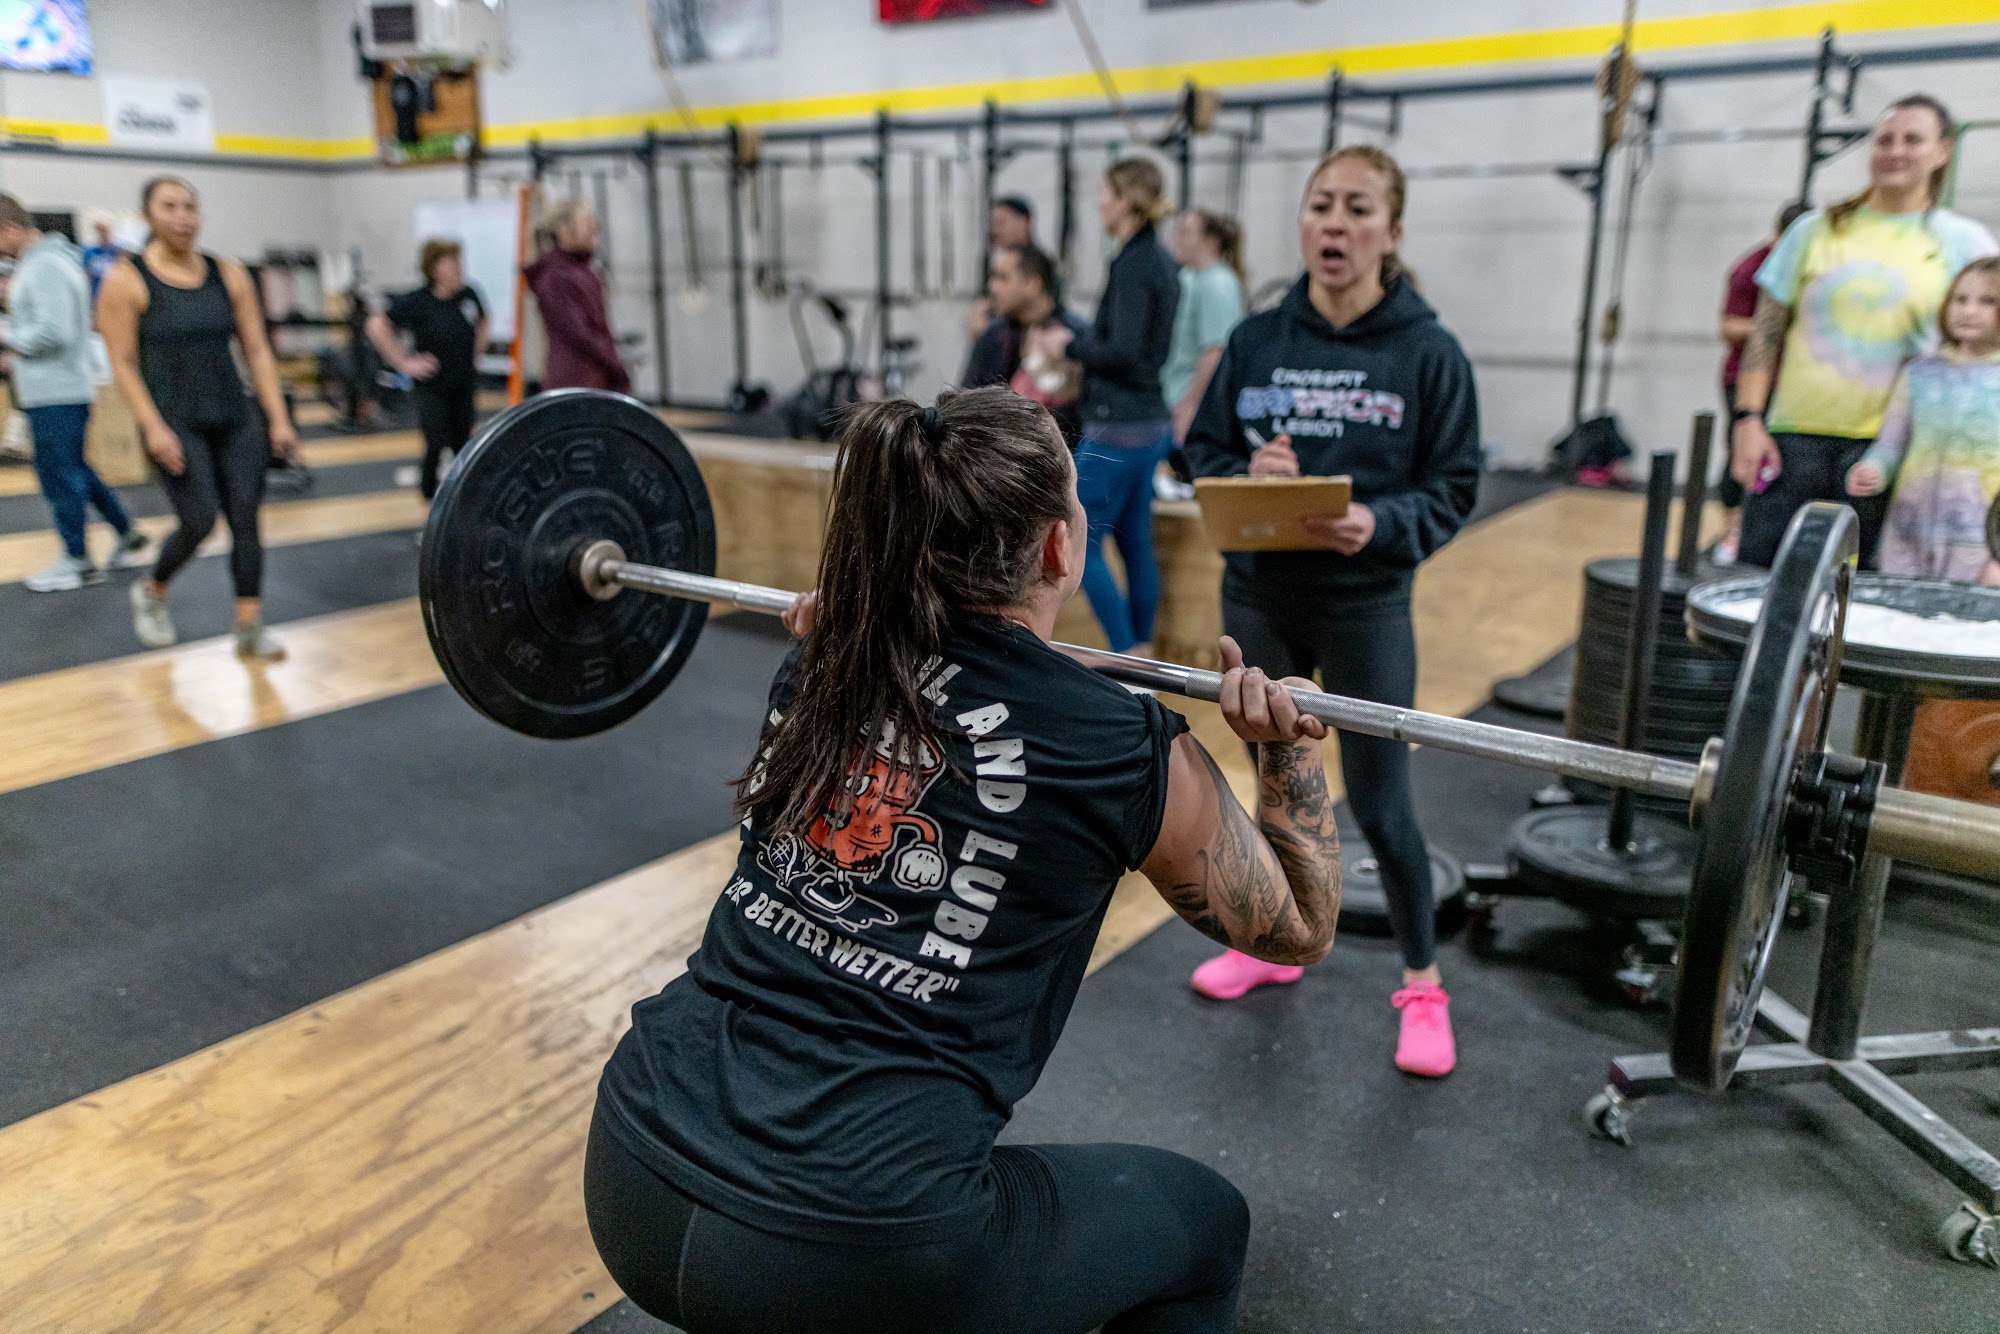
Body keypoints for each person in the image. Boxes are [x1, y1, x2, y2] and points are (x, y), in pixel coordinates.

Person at [586, 385, 1341, 1334]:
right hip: (854, 1249)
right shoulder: (1116, 746)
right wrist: (1288, 751)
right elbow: (1299, 927)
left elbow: (976, 670)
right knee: (1207, 1225)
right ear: (1060, 546)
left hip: (632, 1168)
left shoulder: (828, 656)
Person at [1180, 145, 1482, 1078]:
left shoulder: (1428, 352)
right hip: (1261, 599)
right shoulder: (1258, 338)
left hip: (1366, 606)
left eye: (1357, 208)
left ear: (1392, 231)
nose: (1335, 224)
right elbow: (1201, 454)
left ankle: (1423, 985)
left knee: (1382, 808)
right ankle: (1276, 944)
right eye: (1321, 206)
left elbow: (1455, 486)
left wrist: (1380, 523)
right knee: (1275, 788)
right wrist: (1248, 472)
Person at [1730, 94, 1998, 569]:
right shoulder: (1813, 230)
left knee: (1859, 592)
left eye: (1912, 140)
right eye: (1884, 140)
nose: (1895, 151)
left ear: (1943, 151)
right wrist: (1748, 419)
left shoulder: (1965, 241)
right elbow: (1766, 333)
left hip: (1890, 451)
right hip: (1793, 439)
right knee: (1760, 580)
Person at [98, 176, 299, 659]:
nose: (183, 217)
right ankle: (152, 590)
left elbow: (256, 349)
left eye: (190, 207)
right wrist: (153, 428)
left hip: (233, 415)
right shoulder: (126, 279)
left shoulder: (228, 274)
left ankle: (249, 628)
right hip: (174, 422)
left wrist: (278, 418)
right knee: (200, 520)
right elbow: (122, 364)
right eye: (169, 207)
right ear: (148, 216)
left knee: (246, 519)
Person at [1031, 159, 1179, 655]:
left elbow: (1125, 350)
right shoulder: (1156, 260)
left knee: (1079, 539)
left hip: (1120, 426)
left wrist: (1068, 345)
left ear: (1126, 200)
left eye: (1105, 193)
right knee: (1134, 538)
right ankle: (1142, 655)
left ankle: (1127, 654)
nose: (1098, 203)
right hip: (1148, 421)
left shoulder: (1135, 265)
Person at [0, 193, 148, 592]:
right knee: (75, 468)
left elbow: (55, 332)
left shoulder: (45, 265)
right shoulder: (48, 260)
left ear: (9, 229)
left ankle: (77, 561)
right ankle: (126, 532)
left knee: (59, 477)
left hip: (55, 391)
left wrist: (7, 334)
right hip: (57, 387)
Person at [1848, 257, 2000, 583]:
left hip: (1979, 539)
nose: (1968, 310)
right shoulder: (1920, 372)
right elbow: (1891, 443)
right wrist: (1874, 468)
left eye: (1987, 301)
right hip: (1908, 530)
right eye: (1960, 299)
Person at [1714, 201, 1810, 564]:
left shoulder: (1812, 267)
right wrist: (1778, 324)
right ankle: (1731, 531)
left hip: (1790, 383)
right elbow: (1728, 326)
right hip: (1744, 380)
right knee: (1742, 454)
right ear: (1778, 233)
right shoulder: (1751, 268)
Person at [367, 237, 486, 503]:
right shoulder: (419, 301)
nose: (458, 268)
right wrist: (403, 362)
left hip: (463, 384)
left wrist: (475, 353)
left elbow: (483, 319)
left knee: (463, 445)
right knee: (435, 444)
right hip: (432, 387)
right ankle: (429, 500)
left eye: (459, 262)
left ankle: (461, 500)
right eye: (451, 263)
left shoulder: (468, 295)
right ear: (434, 268)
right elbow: (376, 325)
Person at [960, 242, 1088, 445]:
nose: (992, 287)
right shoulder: (994, 335)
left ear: (1032, 284)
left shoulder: (1076, 336)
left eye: (1002, 278)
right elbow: (966, 400)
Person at [524, 200, 628, 394]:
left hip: (594, 381)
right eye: (586, 221)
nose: (594, 227)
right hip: (573, 384)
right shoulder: (555, 276)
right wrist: (615, 367)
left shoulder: (582, 271)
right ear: (564, 231)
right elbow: (580, 333)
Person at [1164, 208, 1247, 445]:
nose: (1178, 239)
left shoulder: (1218, 284)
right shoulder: (1188, 277)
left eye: (1186, 233)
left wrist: (1189, 406)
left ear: (1210, 241)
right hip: (1170, 397)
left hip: (1188, 404)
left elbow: (1216, 351)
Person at [963, 196, 1037, 342]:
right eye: (992, 224)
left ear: (1024, 223)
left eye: (1001, 222)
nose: (995, 230)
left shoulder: (1040, 266)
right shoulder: (995, 261)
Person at [79, 209, 123, 301]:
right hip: (95, 298)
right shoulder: (89, 251)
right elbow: (85, 277)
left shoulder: (120, 251)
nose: (102, 233)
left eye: (104, 229)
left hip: (116, 297)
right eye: (99, 229)